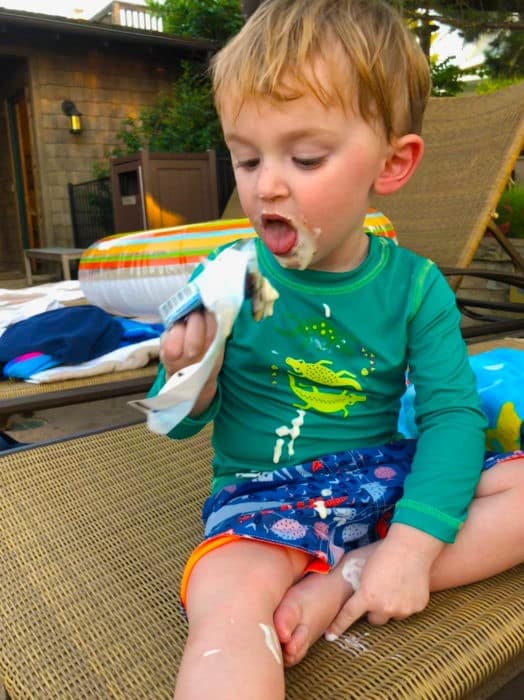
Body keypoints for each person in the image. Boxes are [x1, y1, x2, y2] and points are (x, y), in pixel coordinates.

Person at [148, 1, 524, 698]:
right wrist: (186, 372)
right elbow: (181, 422)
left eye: (306, 156)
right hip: (262, 504)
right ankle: (340, 576)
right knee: (227, 613)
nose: (267, 185)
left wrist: (411, 544)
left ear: (392, 163)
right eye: (248, 156)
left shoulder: (414, 288)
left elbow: (449, 418)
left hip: (381, 482)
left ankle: (356, 574)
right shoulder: (236, 276)